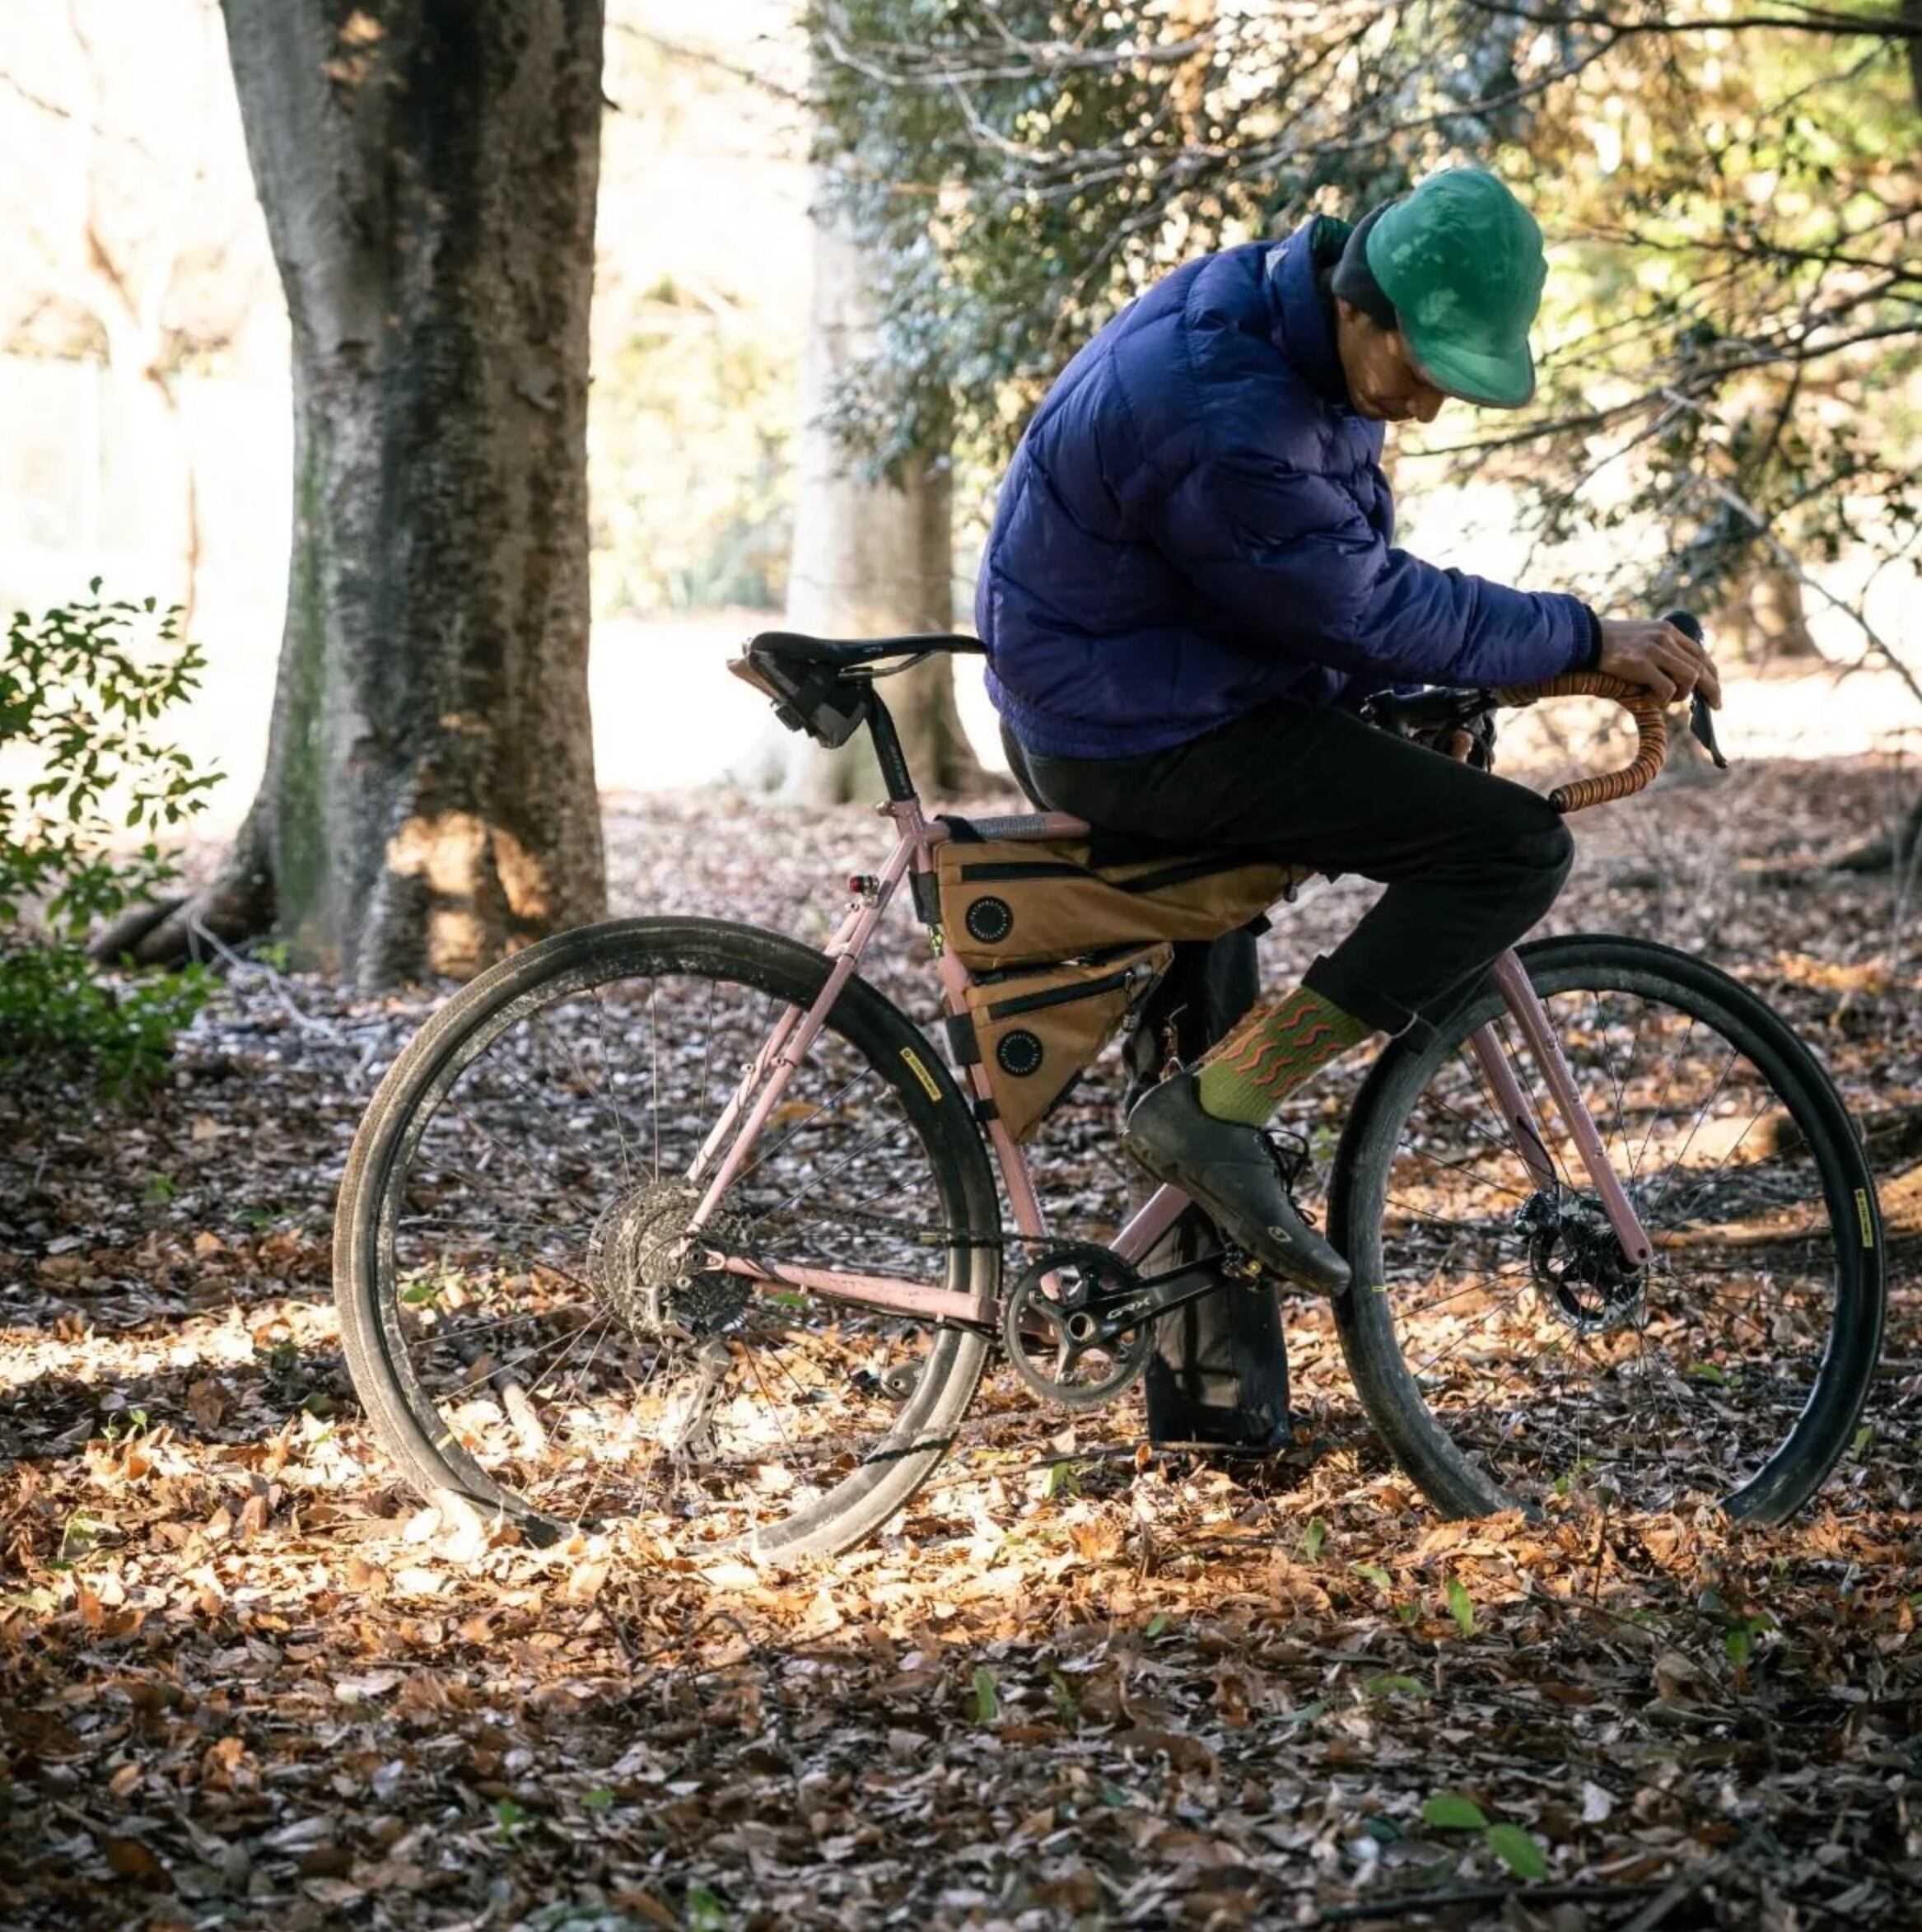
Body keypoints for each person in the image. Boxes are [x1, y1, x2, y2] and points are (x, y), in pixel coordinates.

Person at [977, 167, 1719, 1295]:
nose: (1426, 409)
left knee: (1205, 1024)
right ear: (1360, 305)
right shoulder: (1230, 408)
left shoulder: (1279, 317)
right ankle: (1216, 1106)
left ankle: (1209, 1347)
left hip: (1146, 688)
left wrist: (1410, 687)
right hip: (1131, 732)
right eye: (1421, 374)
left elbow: (1298, 577)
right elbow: (1361, 604)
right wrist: (1580, 636)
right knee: (1508, 849)